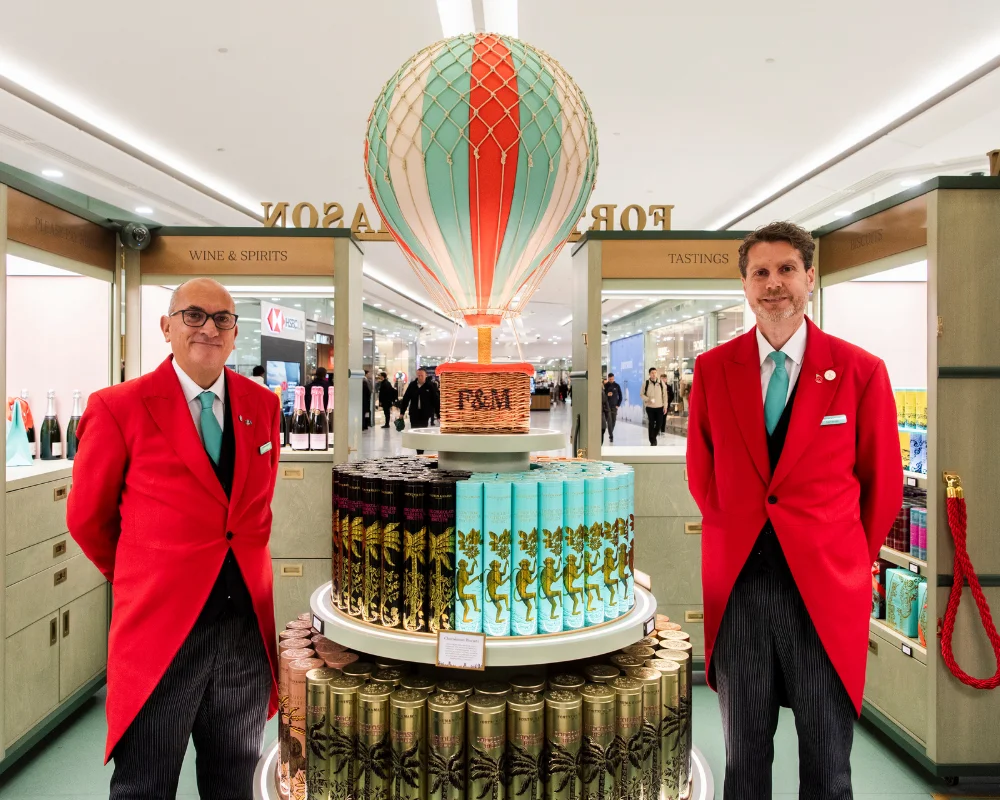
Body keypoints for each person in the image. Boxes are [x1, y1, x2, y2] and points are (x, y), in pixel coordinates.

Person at [686, 222, 902, 799]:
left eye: (786, 270)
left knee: (828, 753)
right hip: (741, 585)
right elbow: (701, 475)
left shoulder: (859, 371)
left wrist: (848, 559)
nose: (773, 283)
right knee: (745, 751)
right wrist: (738, 529)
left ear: (810, 277)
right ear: (745, 284)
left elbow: (882, 484)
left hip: (825, 587)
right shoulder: (712, 370)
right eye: (760, 272)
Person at [67, 278, 282, 799]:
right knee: (146, 783)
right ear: (167, 327)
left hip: (243, 635)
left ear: (235, 336)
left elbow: (254, 510)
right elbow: (87, 518)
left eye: (222, 319)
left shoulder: (263, 406)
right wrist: (143, 575)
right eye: (193, 315)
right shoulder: (120, 407)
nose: (208, 328)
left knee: (237, 778)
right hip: (161, 634)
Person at [640, 367, 668, 446]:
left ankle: (653, 436)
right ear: (649, 374)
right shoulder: (646, 383)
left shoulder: (661, 383)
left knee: (659, 424)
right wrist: (648, 399)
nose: (654, 374)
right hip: (650, 407)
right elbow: (641, 394)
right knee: (651, 423)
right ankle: (652, 441)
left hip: (659, 407)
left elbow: (665, 396)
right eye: (652, 373)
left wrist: (665, 406)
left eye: (655, 372)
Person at [604, 372, 622, 443]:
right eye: (610, 379)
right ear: (608, 378)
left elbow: (620, 396)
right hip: (607, 406)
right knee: (609, 421)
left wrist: (618, 404)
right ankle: (611, 435)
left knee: (613, 421)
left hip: (614, 406)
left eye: (612, 379)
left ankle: (611, 432)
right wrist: (607, 394)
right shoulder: (605, 386)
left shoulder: (617, 386)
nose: (611, 380)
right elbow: (602, 396)